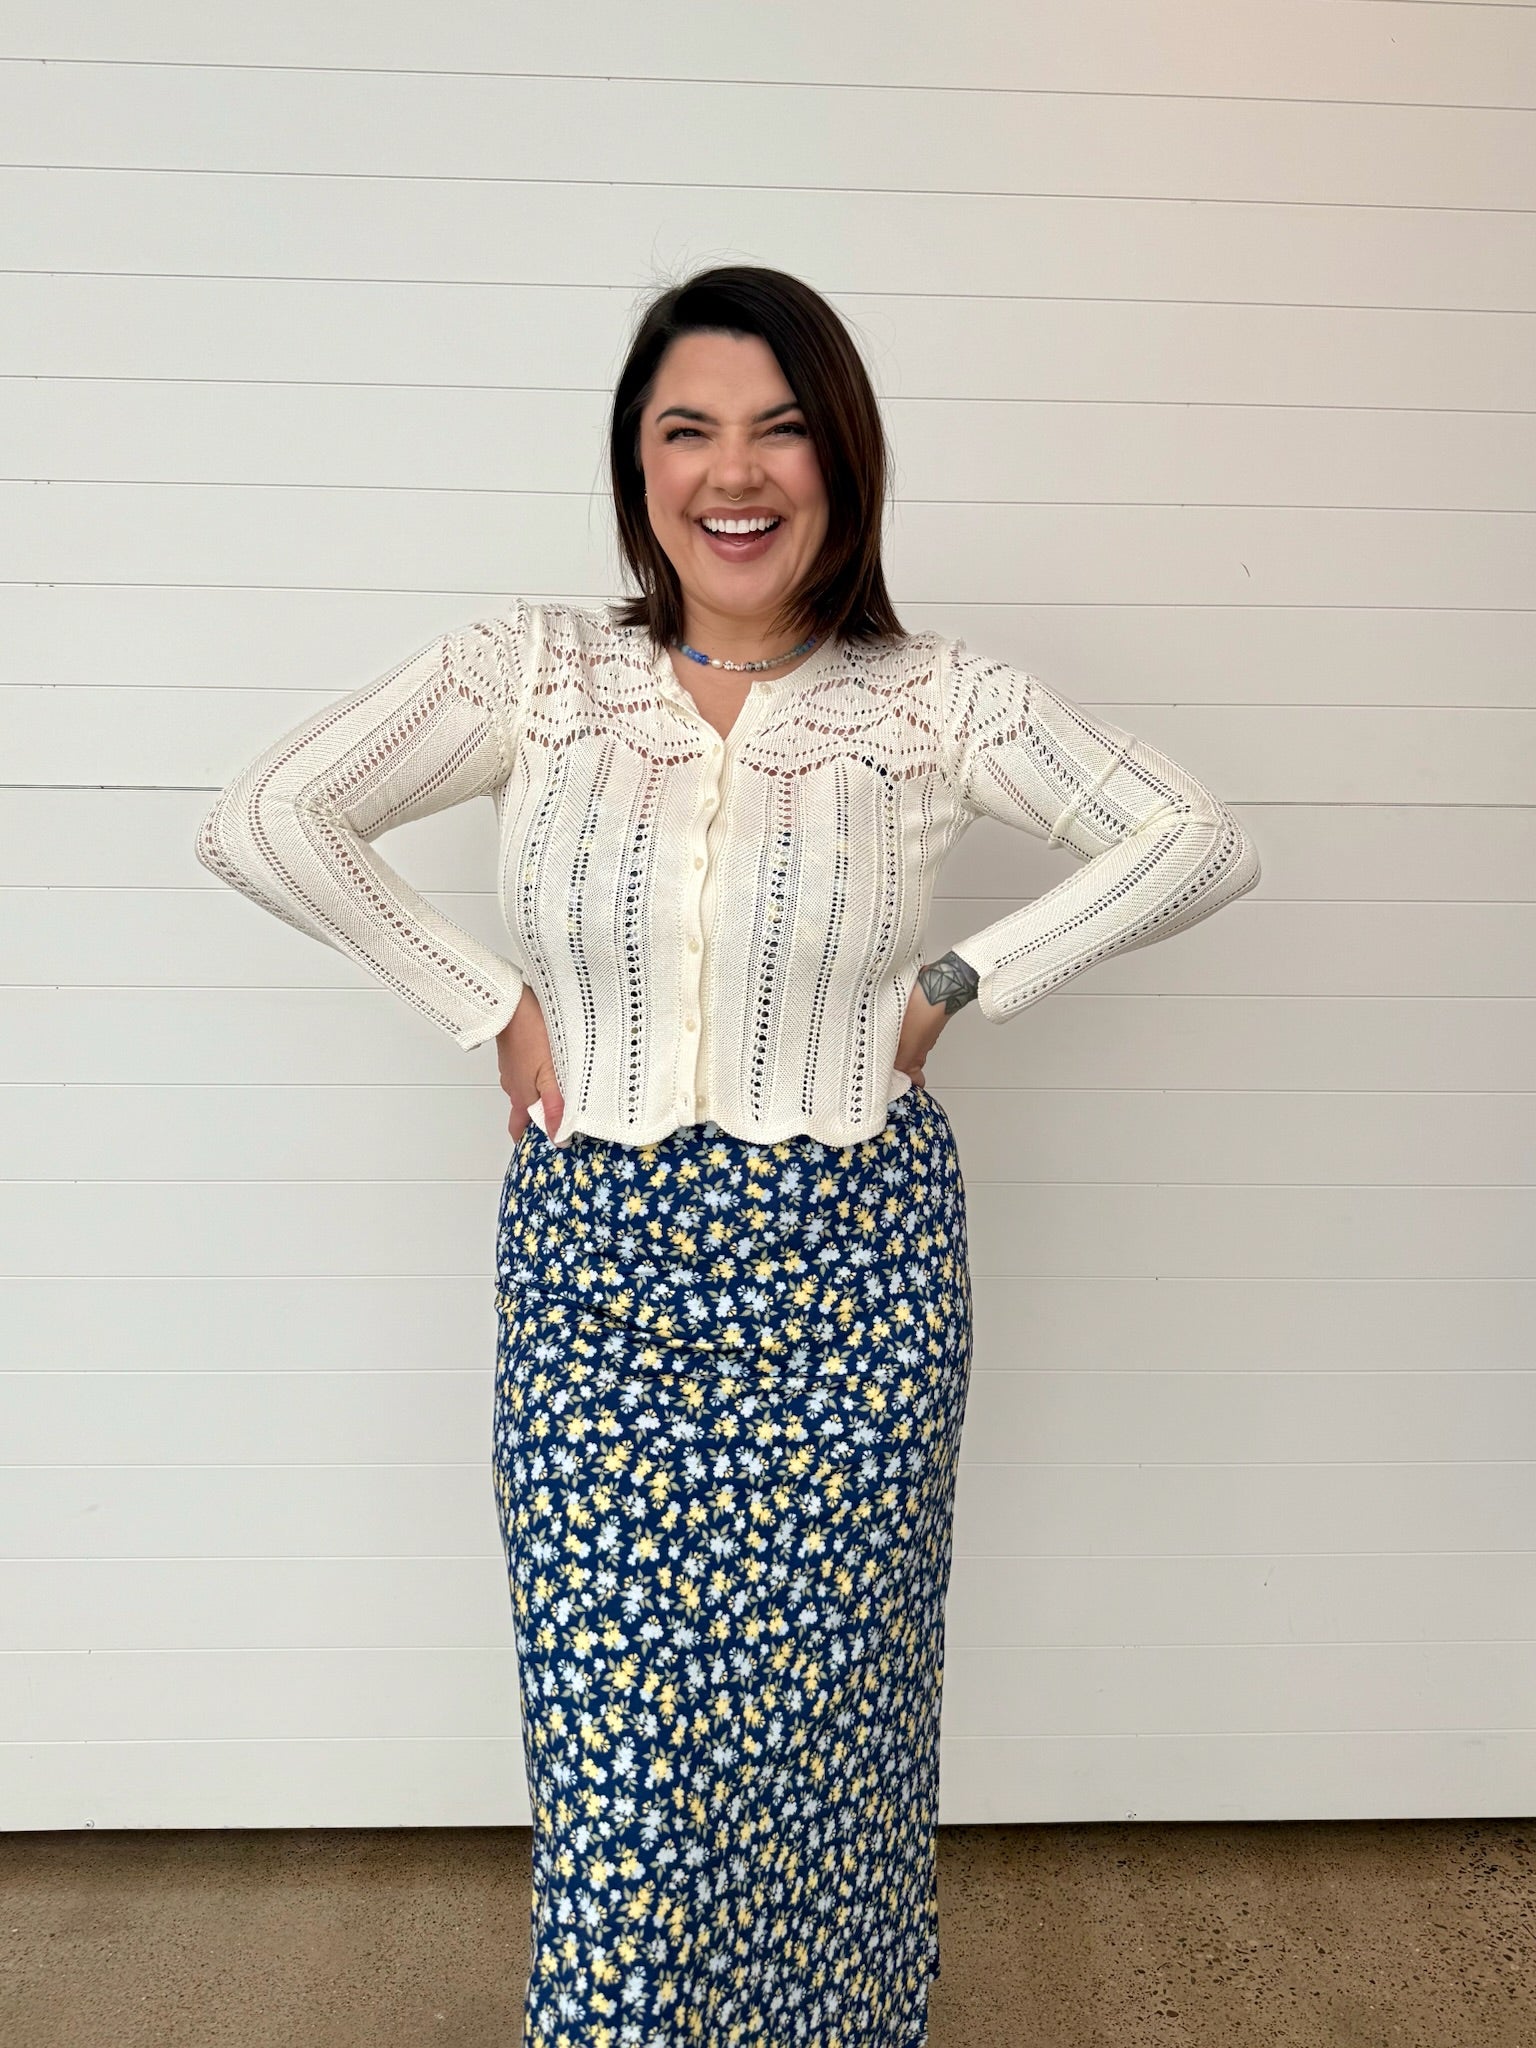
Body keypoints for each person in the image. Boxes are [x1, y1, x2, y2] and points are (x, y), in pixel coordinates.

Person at [195, 262, 1260, 2047]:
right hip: (596, 1282)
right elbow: (265, 816)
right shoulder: (537, 675)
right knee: (619, 1775)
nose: (734, 472)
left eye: (779, 430)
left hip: (856, 1280)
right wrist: (490, 1004)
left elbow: (1196, 839)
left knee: (825, 1750)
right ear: (640, 466)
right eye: (687, 430)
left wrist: (957, 986)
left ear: (842, 461)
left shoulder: (932, 702)